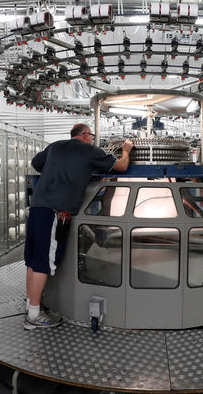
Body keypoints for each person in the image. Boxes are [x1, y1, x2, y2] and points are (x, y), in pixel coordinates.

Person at [23, 123, 133, 329]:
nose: (92, 139)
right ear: (84, 135)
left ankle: (31, 306)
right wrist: (126, 150)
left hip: (37, 207)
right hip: (54, 211)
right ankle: (33, 317)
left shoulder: (55, 147)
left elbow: (36, 163)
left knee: (32, 260)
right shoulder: (89, 151)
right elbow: (121, 167)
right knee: (42, 263)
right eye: (91, 135)